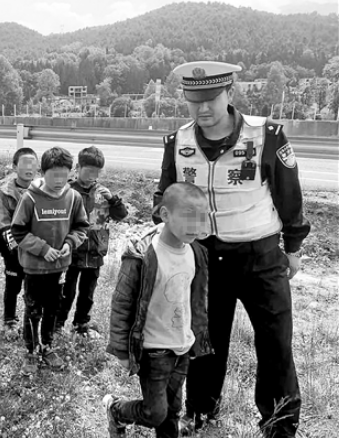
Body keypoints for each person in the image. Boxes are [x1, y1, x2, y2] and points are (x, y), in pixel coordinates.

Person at [153, 61, 311, 438]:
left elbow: (289, 195)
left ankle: (279, 424)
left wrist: (293, 246)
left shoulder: (266, 135)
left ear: (230, 94)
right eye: (194, 100)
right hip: (206, 257)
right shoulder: (178, 142)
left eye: (211, 98)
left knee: (275, 344)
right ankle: (201, 412)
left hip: (261, 256)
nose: (202, 108)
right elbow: (164, 196)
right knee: (205, 341)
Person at [104, 182, 213, 438]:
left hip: (182, 346)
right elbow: (122, 302)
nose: (196, 226)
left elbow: (196, 300)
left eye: (202, 218)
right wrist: (121, 349)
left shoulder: (196, 252)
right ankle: (117, 410)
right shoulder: (142, 255)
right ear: (165, 214)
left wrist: (197, 338)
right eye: (189, 217)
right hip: (153, 351)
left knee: (172, 411)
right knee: (155, 413)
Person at [10, 146, 89, 374]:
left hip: (59, 267)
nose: (59, 181)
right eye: (54, 175)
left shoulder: (73, 198)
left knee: (53, 308)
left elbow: (81, 227)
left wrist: (69, 244)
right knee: (33, 309)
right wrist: (43, 249)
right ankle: (32, 351)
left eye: (64, 175)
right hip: (34, 268)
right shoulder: (30, 198)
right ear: (42, 173)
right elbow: (18, 231)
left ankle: (47, 346)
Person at [56, 146, 128, 336]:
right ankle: (57, 324)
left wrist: (113, 200)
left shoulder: (103, 193)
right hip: (72, 251)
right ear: (78, 168)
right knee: (67, 291)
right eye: (88, 171)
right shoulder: (67, 191)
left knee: (88, 293)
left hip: (95, 252)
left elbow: (121, 215)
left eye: (96, 172)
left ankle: (81, 324)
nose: (92, 176)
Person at [0, 147, 39, 337]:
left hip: (36, 248)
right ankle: (10, 320)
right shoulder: (5, 192)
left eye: (33, 164)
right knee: (13, 284)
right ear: (14, 167)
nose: (29, 168)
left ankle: (32, 321)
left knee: (34, 286)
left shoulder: (43, 190)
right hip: (13, 249)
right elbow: (4, 223)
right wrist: (14, 248)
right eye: (25, 164)